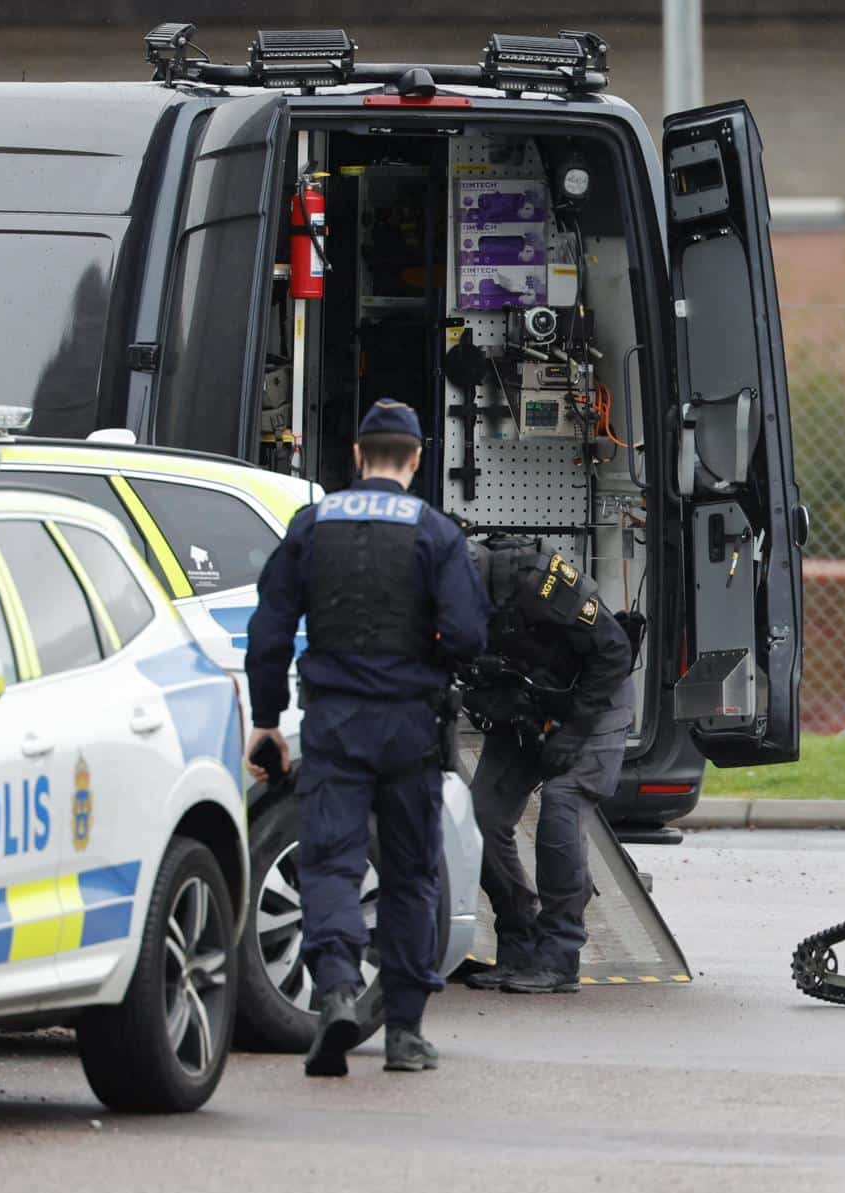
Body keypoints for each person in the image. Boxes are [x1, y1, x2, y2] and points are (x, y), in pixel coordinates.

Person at [245, 399, 489, 1076]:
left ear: (357, 456)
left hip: (334, 722)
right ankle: (405, 1034)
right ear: (414, 459)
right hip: (411, 725)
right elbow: (469, 634)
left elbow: (267, 634)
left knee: (331, 862)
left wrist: (267, 723)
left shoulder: (312, 525)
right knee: (411, 873)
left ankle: (335, 993)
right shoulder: (434, 532)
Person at [462, 537, 635, 995]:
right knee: (481, 817)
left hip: (595, 702)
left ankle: (559, 955)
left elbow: (615, 651)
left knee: (560, 806)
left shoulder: (536, 579)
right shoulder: (437, 594)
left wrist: (574, 730)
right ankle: (517, 940)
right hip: (527, 705)